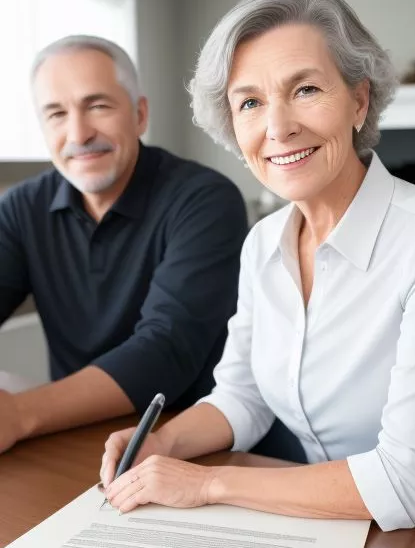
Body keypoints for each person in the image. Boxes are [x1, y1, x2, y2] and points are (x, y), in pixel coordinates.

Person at [101, 0, 415, 530]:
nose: (277, 127)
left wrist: (205, 483)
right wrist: (163, 440)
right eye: (250, 102)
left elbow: (404, 484)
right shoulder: (262, 243)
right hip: (327, 528)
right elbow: (243, 396)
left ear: (359, 101)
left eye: (306, 89)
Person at [0, 35, 247, 453]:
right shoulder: (21, 207)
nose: (78, 133)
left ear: (139, 114)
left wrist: (20, 414)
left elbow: (166, 347)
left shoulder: (205, 200)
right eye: (57, 114)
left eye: (97, 106)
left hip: (187, 445)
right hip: (70, 436)